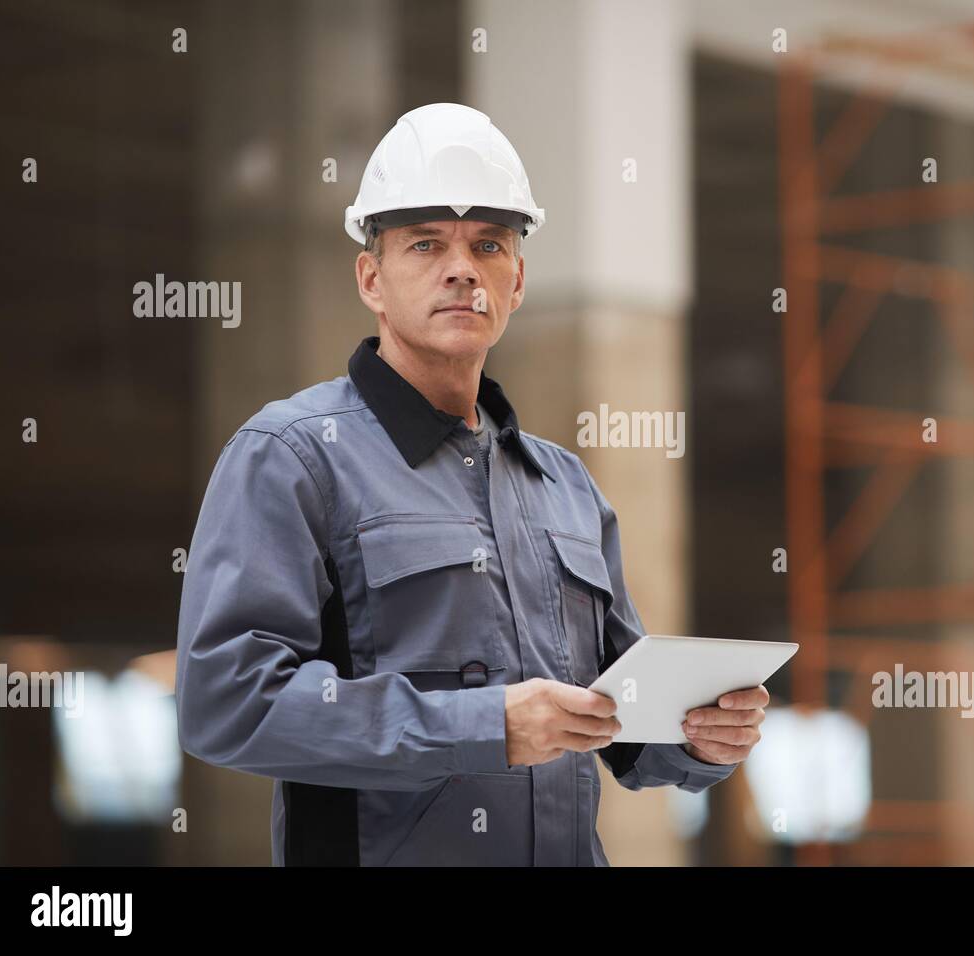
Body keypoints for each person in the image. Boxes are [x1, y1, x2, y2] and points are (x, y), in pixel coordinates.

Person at [175, 103, 768, 866]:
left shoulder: (566, 486)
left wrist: (703, 736)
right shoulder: (292, 457)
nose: (462, 267)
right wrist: (484, 727)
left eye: (488, 245)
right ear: (371, 278)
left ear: (516, 282)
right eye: (425, 244)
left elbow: (624, 728)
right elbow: (226, 703)